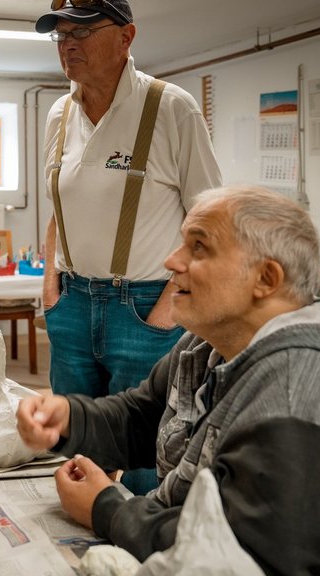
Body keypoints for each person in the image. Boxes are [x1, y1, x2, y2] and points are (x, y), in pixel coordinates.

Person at [17, 185, 320, 574]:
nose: (171, 261)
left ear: (265, 278)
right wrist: (68, 418)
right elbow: (142, 417)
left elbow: (236, 553)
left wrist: (106, 508)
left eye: (198, 247)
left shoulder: (293, 387)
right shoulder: (203, 344)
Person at [34, 0, 222, 493]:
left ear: (126, 37)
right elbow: (60, 204)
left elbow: (209, 221)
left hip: (143, 308)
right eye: (60, 34)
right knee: (74, 440)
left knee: (145, 455)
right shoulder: (59, 113)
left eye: (83, 30)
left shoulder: (171, 107)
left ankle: (140, 556)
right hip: (72, 305)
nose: (68, 43)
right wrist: (51, 285)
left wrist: (167, 307)